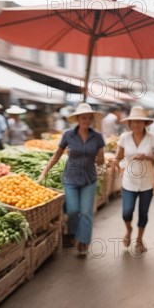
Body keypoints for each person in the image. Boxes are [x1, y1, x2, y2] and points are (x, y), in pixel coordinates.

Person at [38, 103, 105, 258]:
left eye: (89, 118)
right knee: (73, 210)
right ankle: (74, 233)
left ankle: (83, 242)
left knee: (86, 212)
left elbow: (101, 160)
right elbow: (56, 155)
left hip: (89, 179)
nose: (86, 120)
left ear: (92, 120)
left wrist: (101, 159)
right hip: (70, 179)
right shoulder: (68, 135)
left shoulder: (98, 137)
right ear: (78, 119)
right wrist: (44, 173)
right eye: (83, 118)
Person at [111, 106, 154, 254]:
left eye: (140, 122)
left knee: (143, 213)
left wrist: (147, 157)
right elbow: (118, 157)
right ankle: (128, 230)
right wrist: (115, 163)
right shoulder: (124, 138)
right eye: (134, 122)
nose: (137, 124)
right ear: (129, 123)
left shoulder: (153, 139)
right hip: (129, 182)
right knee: (126, 212)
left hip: (147, 183)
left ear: (146, 123)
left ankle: (139, 240)